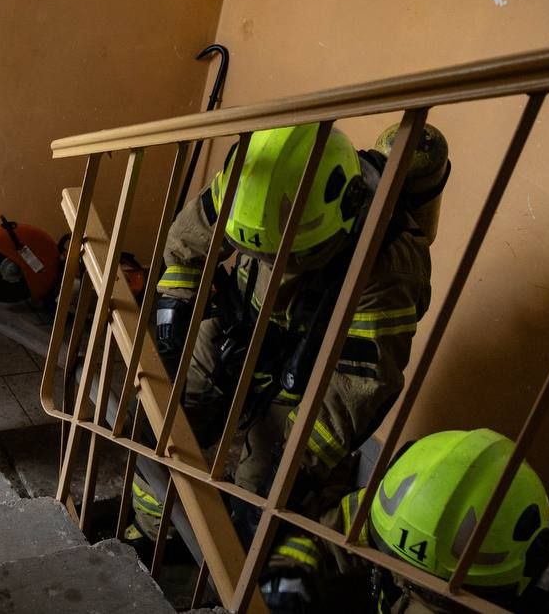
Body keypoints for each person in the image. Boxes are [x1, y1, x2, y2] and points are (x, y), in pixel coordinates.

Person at [130, 124, 434, 544]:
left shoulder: (388, 267)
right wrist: (172, 325)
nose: (271, 265)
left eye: (286, 257)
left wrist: (293, 467)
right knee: (164, 424)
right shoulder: (251, 179)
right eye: (256, 253)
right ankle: (150, 537)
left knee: (262, 491)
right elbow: (188, 244)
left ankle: (232, 561)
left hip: (308, 363)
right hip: (238, 321)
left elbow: (359, 388)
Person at [259, 428, 549, 613]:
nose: (408, 581)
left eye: (434, 593)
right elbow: (327, 534)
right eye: (399, 564)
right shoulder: (404, 513)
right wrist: (287, 576)